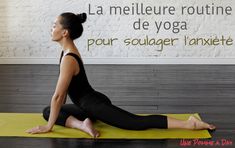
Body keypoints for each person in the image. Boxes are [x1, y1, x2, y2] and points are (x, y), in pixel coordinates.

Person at [26, 12, 216, 138]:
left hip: (95, 105)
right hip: (89, 102)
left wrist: (48, 128)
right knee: (48, 111)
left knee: (135, 123)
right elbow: (61, 96)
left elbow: (59, 96)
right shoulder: (67, 52)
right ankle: (83, 125)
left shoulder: (68, 58)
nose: (51, 28)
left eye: (54, 25)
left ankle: (189, 124)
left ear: (64, 32)